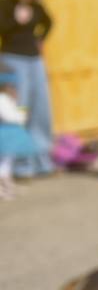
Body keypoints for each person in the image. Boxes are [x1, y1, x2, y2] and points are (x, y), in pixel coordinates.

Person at [0, 0, 56, 177]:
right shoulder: (6, 2)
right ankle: (18, 165)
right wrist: (17, 19)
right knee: (18, 110)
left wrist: (40, 39)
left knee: (40, 109)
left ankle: (41, 161)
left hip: (34, 60)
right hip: (12, 59)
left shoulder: (36, 5)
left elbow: (48, 22)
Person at [0, 71, 39, 199]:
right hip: (6, 134)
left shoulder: (7, 99)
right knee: (4, 163)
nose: (14, 89)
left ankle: (7, 187)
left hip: (10, 134)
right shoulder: (2, 99)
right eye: (11, 86)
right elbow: (10, 117)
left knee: (7, 161)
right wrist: (21, 115)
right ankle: (4, 188)